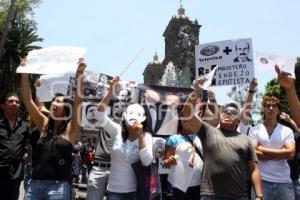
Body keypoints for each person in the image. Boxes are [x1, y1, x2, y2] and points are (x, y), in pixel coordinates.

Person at [181, 77, 263, 200]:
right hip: (211, 196)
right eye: (225, 110)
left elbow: (254, 169)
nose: (228, 113)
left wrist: (259, 195)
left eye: (233, 112)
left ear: (238, 120)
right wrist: (196, 90)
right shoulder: (207, 131)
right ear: (220, 115)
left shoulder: (246, 140)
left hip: (239, 196)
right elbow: (187, 114)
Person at [21, 58, 86, 199]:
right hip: (33, 186)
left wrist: (80, 75)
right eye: (54, 100)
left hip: (58, 188)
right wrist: (24, 72)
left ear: (67, 109)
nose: (54, 103)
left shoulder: (71, 129)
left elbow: (79, 101)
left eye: (59, 101)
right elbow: (28, 100)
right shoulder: (43, 124)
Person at [97, 76, 153, 200]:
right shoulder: (116, 130)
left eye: (138, 115)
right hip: (113, 191)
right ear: (124, 117)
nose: (133, 118)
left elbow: (147, 161)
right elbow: (100, 115)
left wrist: (139, 136)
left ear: (143, 119)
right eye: (131, 114)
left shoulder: (146, 137)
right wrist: (111, 91)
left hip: (135, 191)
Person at [249, 96, 295, 200]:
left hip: (284, 181)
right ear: (263, 109)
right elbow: (252, 154)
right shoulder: (254, 130)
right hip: (261, 181)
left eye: (274, 106)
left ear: (279, 110)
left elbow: (291, 154)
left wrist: (262, 148)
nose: (270, 108)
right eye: (267, 106)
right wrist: (281, 153)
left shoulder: (287, 130)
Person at [163, 114, 203, 200]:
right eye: (184, 117)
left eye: (189, 117)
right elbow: (166, 163)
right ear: (180, 120)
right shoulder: (173, 139)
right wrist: (169, 161)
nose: (186, 119)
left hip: (200, 184)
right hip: (180, 186)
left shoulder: (201, 137)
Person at [0, 92, 31, 200]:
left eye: (17, 102)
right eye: (11, 101)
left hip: (15, 174)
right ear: (3, 105)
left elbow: (27, 144)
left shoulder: (24, 126)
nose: (14, 103)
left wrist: (26, 153)